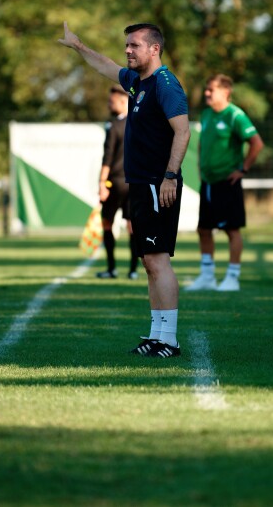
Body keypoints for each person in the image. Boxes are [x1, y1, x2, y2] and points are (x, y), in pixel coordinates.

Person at [58, 21, 190, 358]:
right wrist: (78, 46)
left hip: (158, 183)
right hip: (140, 183)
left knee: (158, 261)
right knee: (149, 261)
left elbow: (183, 132)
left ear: (154, 49)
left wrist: (170, 176)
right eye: (127, 45)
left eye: (135, 45)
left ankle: (170, 341)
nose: (128, 50)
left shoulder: (165, 84)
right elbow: (106, 65)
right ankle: (157, 335)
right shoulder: (137, 82)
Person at [185, 74, 264, 292]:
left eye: (211, 90)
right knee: (203, 229)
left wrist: (243, 169)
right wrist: (201, 168)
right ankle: (207, 276)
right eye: (206, 89)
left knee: (232, 230)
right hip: (209, 183)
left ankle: (232, 277)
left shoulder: (236, 115)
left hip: (227, 182)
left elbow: (257, 143)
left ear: (225, 92)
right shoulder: (207, 114)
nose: (207, 94)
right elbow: (202, 143)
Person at [96, 86, 140, 280]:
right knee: (133, 226)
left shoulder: (113, 126)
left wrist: (101, 183)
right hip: (134, 183)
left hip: (114, 183)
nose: (108, 104)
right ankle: (133, 270)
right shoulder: (139, 123)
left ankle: (112, 268)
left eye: (111, 101)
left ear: (123, 102)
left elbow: (107, 157)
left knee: (107, 223)